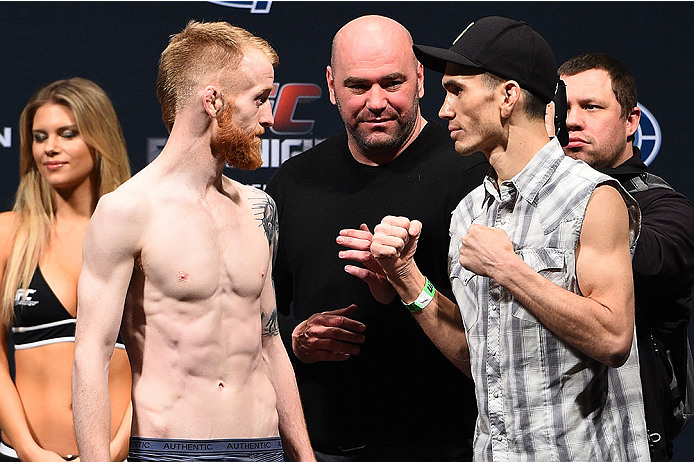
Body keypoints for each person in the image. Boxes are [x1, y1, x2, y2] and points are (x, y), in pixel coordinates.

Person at [370, 16, 650, 461]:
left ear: (507, 96)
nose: (443, 110)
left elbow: (614, 338)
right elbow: (480, 359)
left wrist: (510, 269)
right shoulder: (468, 215)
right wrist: (406, 279)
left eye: (457, 90)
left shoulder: (592, 197)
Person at [71, 21, 315, 462]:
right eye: (259, 99)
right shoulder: (127, 210)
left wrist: (305, 456)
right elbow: (92, 357)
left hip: (264, 447)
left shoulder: (258, 209)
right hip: (171, 448)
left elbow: (269, 341)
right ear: (213, 99)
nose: (269, 117)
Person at [265, 15, 487, 462]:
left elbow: (503, 333)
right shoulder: (294, 182)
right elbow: (256, 314)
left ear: (421, 79)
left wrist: (404, 283)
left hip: (445, 447)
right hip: (319, 449)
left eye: (392, 83)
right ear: (330, 85)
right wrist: (295, 338)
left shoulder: (474, 173)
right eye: (358, 86)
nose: (376, 101)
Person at [559, 52, 694, 461]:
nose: (572, 121)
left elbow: (653, 260)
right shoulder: (525, 200)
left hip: (629, 437)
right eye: (562, 108)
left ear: (632, 120)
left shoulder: (667, 208)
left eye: (591, 107)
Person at [0, 78, 132, 462]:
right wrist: (26, 449)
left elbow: (162, 359)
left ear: (99, 138)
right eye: (40, 137)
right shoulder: (9, 234)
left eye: (67, 133)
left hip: (121, 453)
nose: (50, 148)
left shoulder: (137, 233)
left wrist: (119, 446)